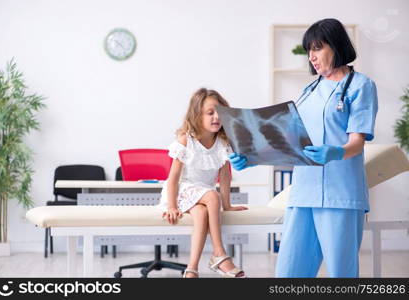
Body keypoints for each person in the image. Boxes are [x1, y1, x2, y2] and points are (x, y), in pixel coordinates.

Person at [229, 18, 378, 277]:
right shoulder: (309, 90)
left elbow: (357, 141)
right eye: (309, 50)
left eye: (317, 48)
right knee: (289, 273)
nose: (311, 57)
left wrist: (337, 152)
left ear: (337, 45)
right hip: (302, 193)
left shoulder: (360, 86)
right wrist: (253, 157)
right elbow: (290, 144)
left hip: (340, 194)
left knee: (341, 274)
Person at [159, 88, 248, 278]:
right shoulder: (186, 140)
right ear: (197, 115)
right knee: (211, 195)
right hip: (182, 191)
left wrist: (228, 205)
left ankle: (191, 269)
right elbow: (173, 177)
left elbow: (225, 177)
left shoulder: (223, 142)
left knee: (201, 212)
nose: (217, 117)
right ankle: (219, 253)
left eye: (220, 113)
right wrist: (172, 206)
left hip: (204, 196)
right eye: (210, 113)